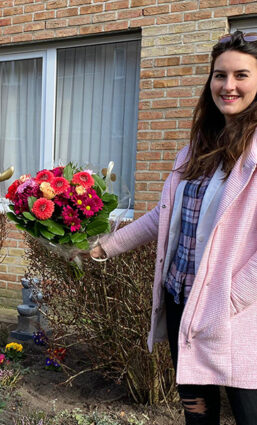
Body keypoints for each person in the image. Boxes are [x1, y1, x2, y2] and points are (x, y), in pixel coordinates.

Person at [90, 31, 257, 425]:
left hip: (234, 312)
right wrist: (104, 247)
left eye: (241, 75)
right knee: (198, 416)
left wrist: (231, 298)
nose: (228, 85)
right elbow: (163, 216)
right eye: (219, 75)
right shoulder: (199, 145)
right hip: (183, 299)